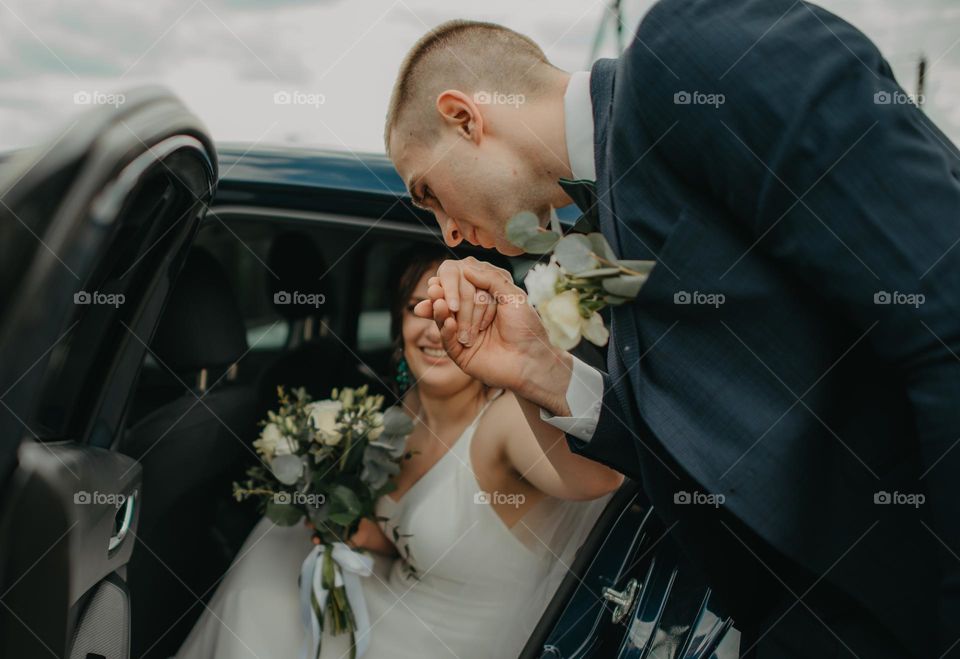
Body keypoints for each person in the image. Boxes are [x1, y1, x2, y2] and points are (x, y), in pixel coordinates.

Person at [386, 6, 960, 658]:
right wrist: (542, 370)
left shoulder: (689, 52)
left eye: (427, 193)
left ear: (465, 116)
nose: (450, 235)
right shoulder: (598, 247)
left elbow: (944, 313)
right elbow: (709, 431)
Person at [176, 243, 620, 659]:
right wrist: (374, 536)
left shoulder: (504, 423)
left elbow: (602, 476)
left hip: (447, 644)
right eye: (417, 310)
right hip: (399, 603)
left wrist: (530, 368)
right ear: (398, 325)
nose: (434, 330)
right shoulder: (404, 412)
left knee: (258, 601)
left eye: (455, 311)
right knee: (270, 558)